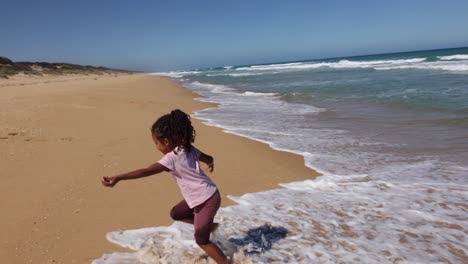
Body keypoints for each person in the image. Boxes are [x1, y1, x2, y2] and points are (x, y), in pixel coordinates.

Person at [102, 109, 229, 264]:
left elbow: (146, 171)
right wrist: (210, 162)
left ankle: (225, 262)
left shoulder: (171, 158)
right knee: (176, 213)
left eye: (156, 142)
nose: (156, 146)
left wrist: (119, 177)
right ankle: (209, 226)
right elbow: (208, 157)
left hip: (206, 200)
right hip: (207, 194)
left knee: (201, 240)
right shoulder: (187, 148)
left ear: (167, 142)